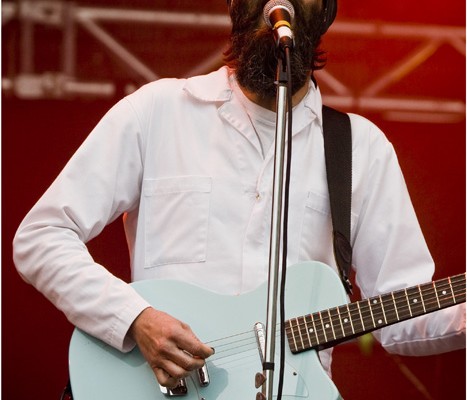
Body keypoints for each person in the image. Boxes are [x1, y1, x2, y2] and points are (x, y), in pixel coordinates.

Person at [12, 0, 465, 394]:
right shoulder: (157, 112)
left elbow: (404, 312)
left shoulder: (360, 149)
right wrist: (134, 318)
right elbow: (42, 235)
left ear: (324, 11)